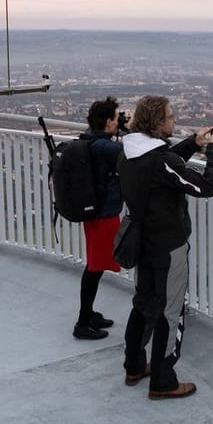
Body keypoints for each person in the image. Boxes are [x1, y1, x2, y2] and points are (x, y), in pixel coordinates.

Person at [116, 95, 213, 400]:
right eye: (170, 116)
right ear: (157, 122)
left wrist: (193, 143)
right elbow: (206, 186)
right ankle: (163, 380)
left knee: (143, 304)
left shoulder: (128, 152)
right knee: (170, 311)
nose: (173, 120)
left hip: (143, 241)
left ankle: (135, 366)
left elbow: (162, 165)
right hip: (167, 246)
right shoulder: (160, 161)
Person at [73, 96, 127, 340]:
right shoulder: (106, 147)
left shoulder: (90, 139)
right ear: (107, 122)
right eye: (116, 119)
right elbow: (132, 155)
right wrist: (134, 130)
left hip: (95, 213)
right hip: (103, 215)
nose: (119, 122)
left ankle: (88, 313)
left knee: (94, 267)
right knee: (94, 269)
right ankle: (82, 323)